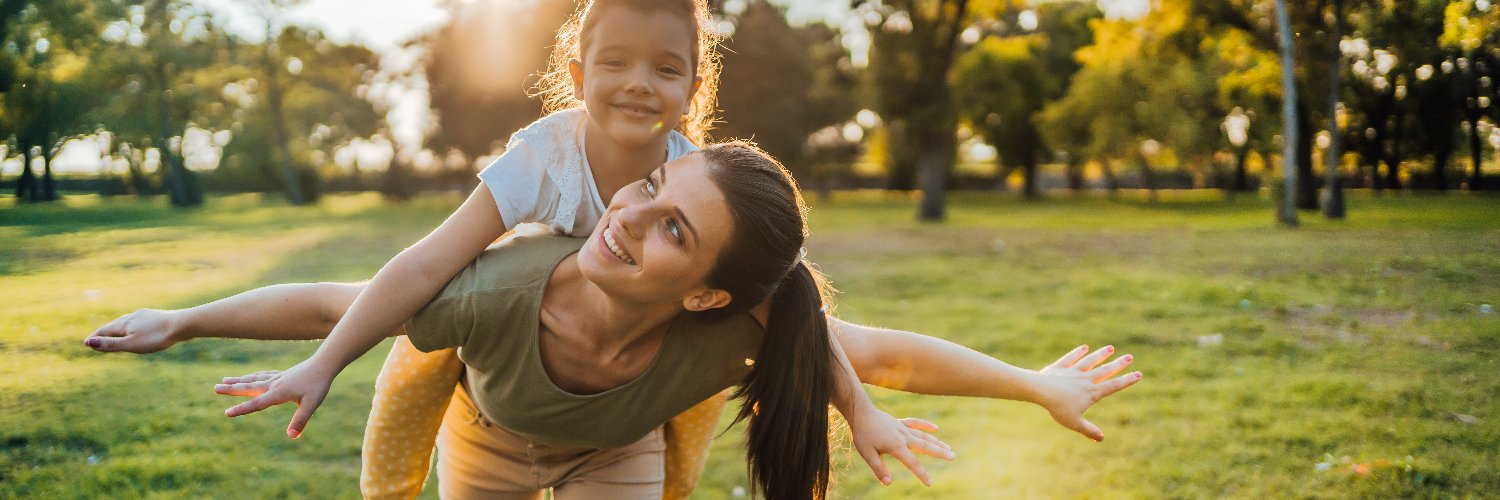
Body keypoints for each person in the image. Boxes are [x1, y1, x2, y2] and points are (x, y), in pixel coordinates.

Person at [85, 0, 1141, 497]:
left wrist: (1020, 385)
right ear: (575, 67)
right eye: (616, 62)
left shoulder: (707, 203)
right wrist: (207, 324)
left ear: (695, 89)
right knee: (453, 319)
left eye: (667, 70)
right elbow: (385, 281)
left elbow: (845, 335)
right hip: (491, 421)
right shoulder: (533, 174)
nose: (634, 210)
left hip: (622, 439)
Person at [212, 143, 952, 499]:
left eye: (674, 231)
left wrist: (1032, 383)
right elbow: (334, 301)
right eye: (651, 186)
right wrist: (181, 321)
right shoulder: (493, 292)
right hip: (486, 443)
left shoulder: (738, 331)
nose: (627, 216)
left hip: (613, 453)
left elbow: (871, 352)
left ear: (705, 297)